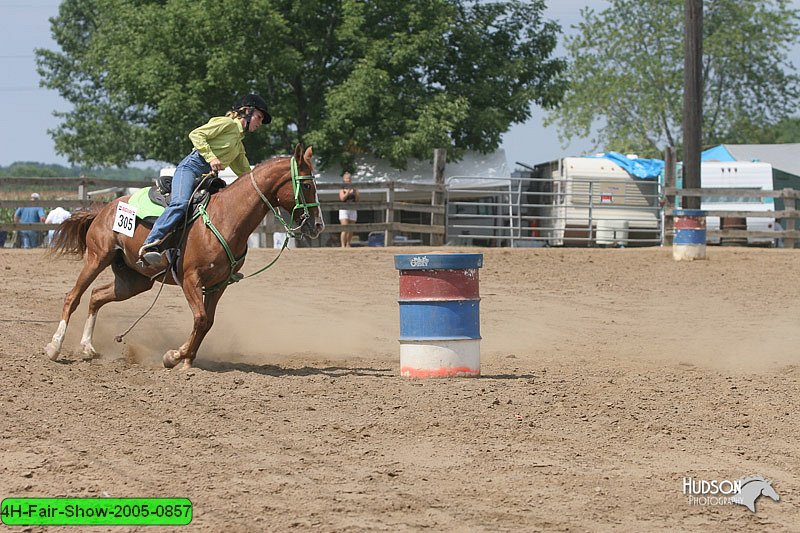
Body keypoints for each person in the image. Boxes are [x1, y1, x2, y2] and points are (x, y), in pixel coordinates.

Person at [138, 93, 272, 265]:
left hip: (205, 176)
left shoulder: (238, 144)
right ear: (246, 111)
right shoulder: (226, 124)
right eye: (259, 117)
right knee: (180, 203)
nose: (259, 123)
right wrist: (211, 157)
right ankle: (150, 244)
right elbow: (196, 134)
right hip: (190, 168)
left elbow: (246, 174)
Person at [338, 171, 359, 247]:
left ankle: (348, 243)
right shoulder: (342, 188)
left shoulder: (354, 187)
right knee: (345, 227)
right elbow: (342, 198)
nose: (348, 180)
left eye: (349, 178)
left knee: (351, 228)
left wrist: (356, 192)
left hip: (352, 208)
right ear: (344, 179)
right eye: (346, 178)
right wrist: (347, 192)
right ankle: (343, 244)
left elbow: (357, 199)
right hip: (344, 209)